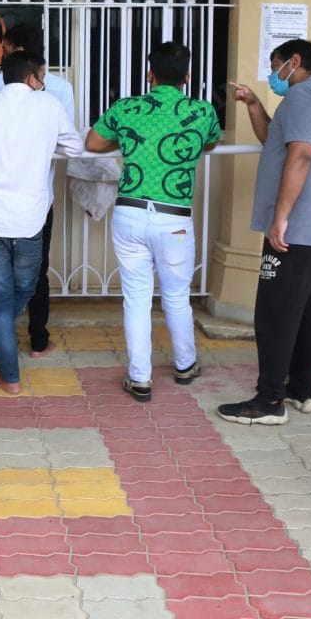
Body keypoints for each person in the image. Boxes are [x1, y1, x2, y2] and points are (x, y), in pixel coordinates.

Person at [217, 39, 311, 425]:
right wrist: (255, 104)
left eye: (276, 66)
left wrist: (281, 217)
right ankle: (301, 389)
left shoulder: (302, 99)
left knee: (275, 313)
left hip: (296, 226)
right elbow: (275, 139)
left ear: (295, 62)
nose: (274, 74)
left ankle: (269, 400)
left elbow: (302, 154)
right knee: (308, 310)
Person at [86, 42, 221, 402]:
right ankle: (185, 365)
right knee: (176, 296)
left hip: (129, 213)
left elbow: (93, 142)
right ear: (188, 77)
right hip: (173, 219)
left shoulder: (127, 108)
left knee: (136, 299)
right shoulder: (202, 111)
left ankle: (140, 378)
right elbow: (209, 143)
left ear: (150, 74)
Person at [0, 50, 84, 394]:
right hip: (29, 220)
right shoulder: (49, 106)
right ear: (31, 77)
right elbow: (75, 148)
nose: (43, 83)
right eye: (42, 77)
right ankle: (3, 374)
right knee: (22, 290)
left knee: (0, 301)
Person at [0, 25, 76, 356]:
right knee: (36, 268)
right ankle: (38, 339)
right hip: (37, 198)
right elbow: (69, 144)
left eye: (5, 47)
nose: (2, 54)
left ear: (17, 50)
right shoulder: (60, 89)